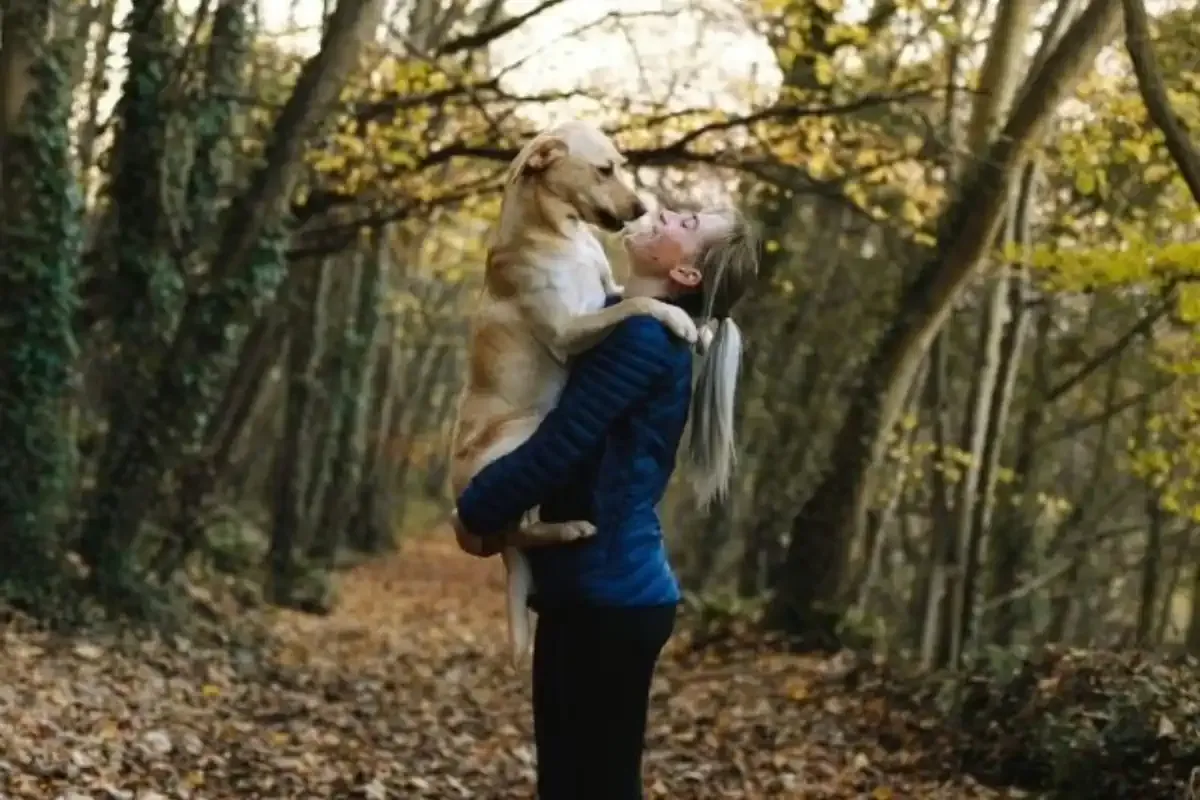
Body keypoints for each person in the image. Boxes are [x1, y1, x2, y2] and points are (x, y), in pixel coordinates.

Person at [449, 206, 759, 800]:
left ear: (687, 274)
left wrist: (476, 513)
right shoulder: (623, 320)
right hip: (595, 599)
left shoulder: (644, 337)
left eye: (687, 222)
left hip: (613, 603)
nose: (664, 209)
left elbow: (560, 444)